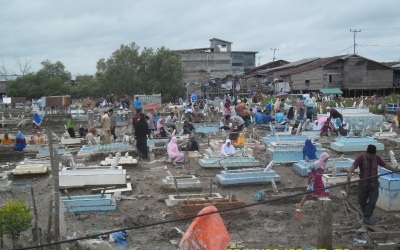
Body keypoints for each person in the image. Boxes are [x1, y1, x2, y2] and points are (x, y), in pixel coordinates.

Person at [347, 145, 399, 225]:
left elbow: (385, 165)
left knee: (372, 202)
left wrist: (395, 171)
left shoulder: (377, 158)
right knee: (361, 202)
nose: (372, 157)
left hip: (373, 185)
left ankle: (367, 217)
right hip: (363, 185)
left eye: (373, 156)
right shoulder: (361, 158)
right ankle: (366, 215)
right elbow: (353, 166)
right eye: (370, 156)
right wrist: (350, 172)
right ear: (366, 153)